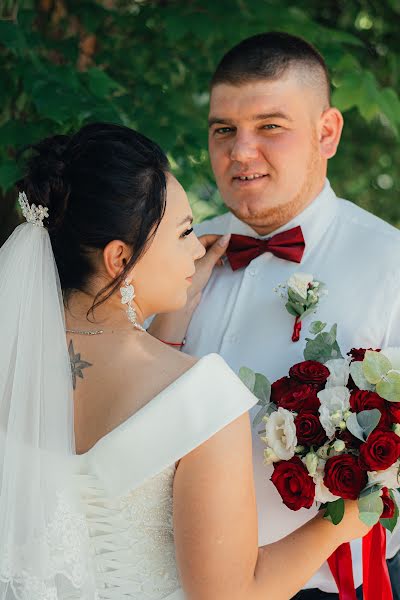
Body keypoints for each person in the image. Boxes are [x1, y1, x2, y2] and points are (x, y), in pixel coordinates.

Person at [0, 122, 369, 600]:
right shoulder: (201, 396)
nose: (197, 249)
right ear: (119, 258)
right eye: (184, 232)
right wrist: (344, 522)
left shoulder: (13, 359)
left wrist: (165, 327)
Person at [149, 32, 400, 600]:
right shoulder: (174, 261)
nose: (240, 152)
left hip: (334, 587)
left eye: (270, 126)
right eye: (224, 130)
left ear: (327, 132)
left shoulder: (391, 265)